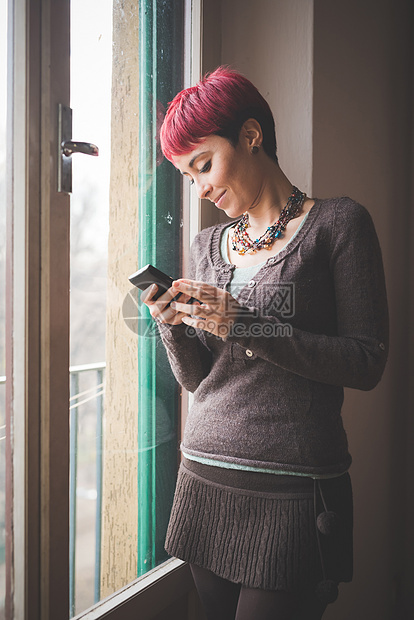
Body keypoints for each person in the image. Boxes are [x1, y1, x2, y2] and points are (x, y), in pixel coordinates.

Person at [141, 66, 389, 620]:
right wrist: (171, 324)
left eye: (204, 164)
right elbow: (200, 381)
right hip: (204, 474)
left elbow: (366, 361)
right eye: (188, 176)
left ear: (251, 136)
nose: (200, 187)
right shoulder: (207, 245)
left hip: (295, 490)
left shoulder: (339, 225)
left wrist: (246, 323)